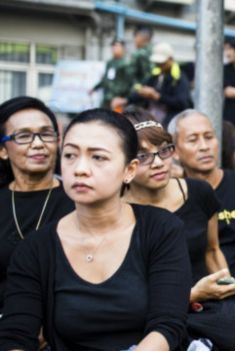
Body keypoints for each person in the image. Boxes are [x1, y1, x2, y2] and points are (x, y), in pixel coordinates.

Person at [0, 108, 191, 350]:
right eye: (70, 155)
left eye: (98, 157)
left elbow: (167, 326)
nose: (80, 168)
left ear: (129, 170)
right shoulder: (35, 249)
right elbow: (16, 337)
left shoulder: (161, 229)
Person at [122, 109, 235, 304]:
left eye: (163, 150)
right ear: (126, 164)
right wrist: (192, 295)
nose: (158, 163)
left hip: (209, 308)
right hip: (150, 317)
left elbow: (212, 250)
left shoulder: (200, 192)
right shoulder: (116, 212)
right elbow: (126, 295)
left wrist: (227, 285)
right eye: (143, 156)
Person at [168, 109, 235, 287]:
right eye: (193, 140)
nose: (204, 146)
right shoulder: (170, 195)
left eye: (209, 137)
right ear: (175, 152)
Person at [0, 97, 74, 312]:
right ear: (3, 150)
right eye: (24, 136)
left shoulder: (80, 200)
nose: (38, 143)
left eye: (46, 134)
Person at [128, 42, 193, 128]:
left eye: (162, 63)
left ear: (170, 59)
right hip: (151, 121)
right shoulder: (155, 75)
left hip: (169, 122)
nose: (159, 65)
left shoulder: (178, 77)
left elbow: (182, 103)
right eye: (157, 63)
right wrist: (141, 92)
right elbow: (136, 93)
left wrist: (157, 96)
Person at [90, 39, 133, 110]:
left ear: (123, 48)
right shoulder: (110, 63)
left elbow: (130, 83)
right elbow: (105, 79)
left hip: (118, 99)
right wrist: (95, 88)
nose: (114, 48)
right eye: (113, 46)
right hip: (107, 98)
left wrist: (124, 98)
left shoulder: (126, 64)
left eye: (116, 46)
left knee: (116, 119)